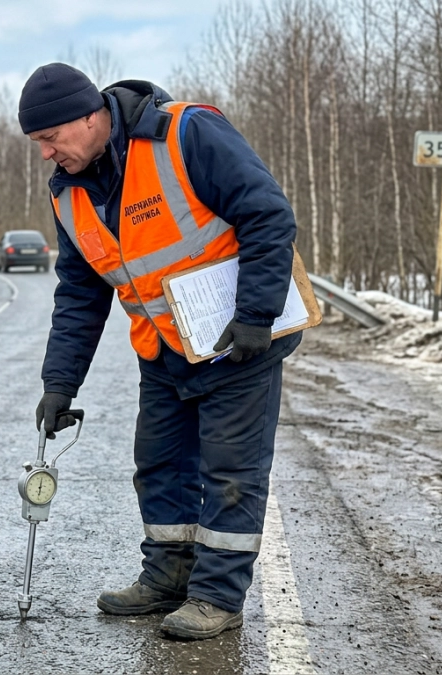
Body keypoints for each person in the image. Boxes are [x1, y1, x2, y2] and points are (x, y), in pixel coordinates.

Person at [19, 63, 301, 641]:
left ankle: (218, 597)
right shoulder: (69, 194)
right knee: (160, 465)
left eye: (50, 139)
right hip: (166, 349)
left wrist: (255, 316)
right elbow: (79, 293)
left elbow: (268, 215)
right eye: (37, 144)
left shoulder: (187, 134)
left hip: (236, 344)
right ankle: (168, 578)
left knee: (230, 471)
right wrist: (59, 383)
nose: (46, 154)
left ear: (90, 116)